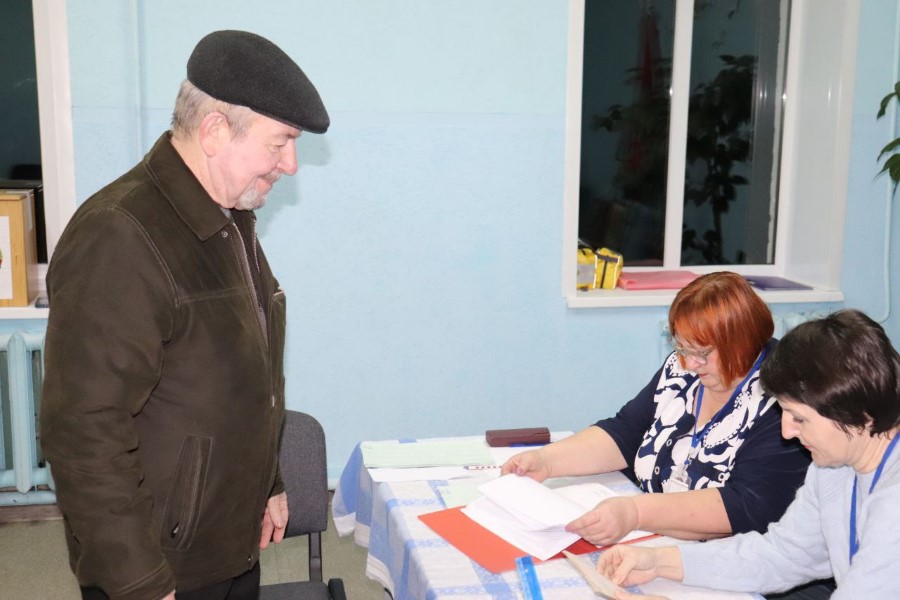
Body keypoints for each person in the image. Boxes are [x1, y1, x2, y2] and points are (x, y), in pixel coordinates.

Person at [39, 30, 329, 600]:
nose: (291, 165)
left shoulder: (229, 217)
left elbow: (242, 376)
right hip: (161, 568)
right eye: (280, 143)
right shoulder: (120, 234)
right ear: (215, 131)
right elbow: (83, 429)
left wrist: (266, 481)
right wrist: (139, 581)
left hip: (229, 543)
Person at [596, 309, 900, 599]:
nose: (787, 432)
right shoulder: (834, 467)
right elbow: (782, 555)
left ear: (859, 414)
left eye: (799, 418)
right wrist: (659, 561)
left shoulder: (892, 501)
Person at [502, 271, 810, 545]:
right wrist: (546, 461)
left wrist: (636, 514)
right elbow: (626, 432)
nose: (689, 363)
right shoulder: (682, 370)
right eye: (682, 348)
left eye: (701, 353)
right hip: (655, 537)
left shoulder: (784, 399)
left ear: (742, 344)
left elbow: (746, 507)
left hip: (730, 559)